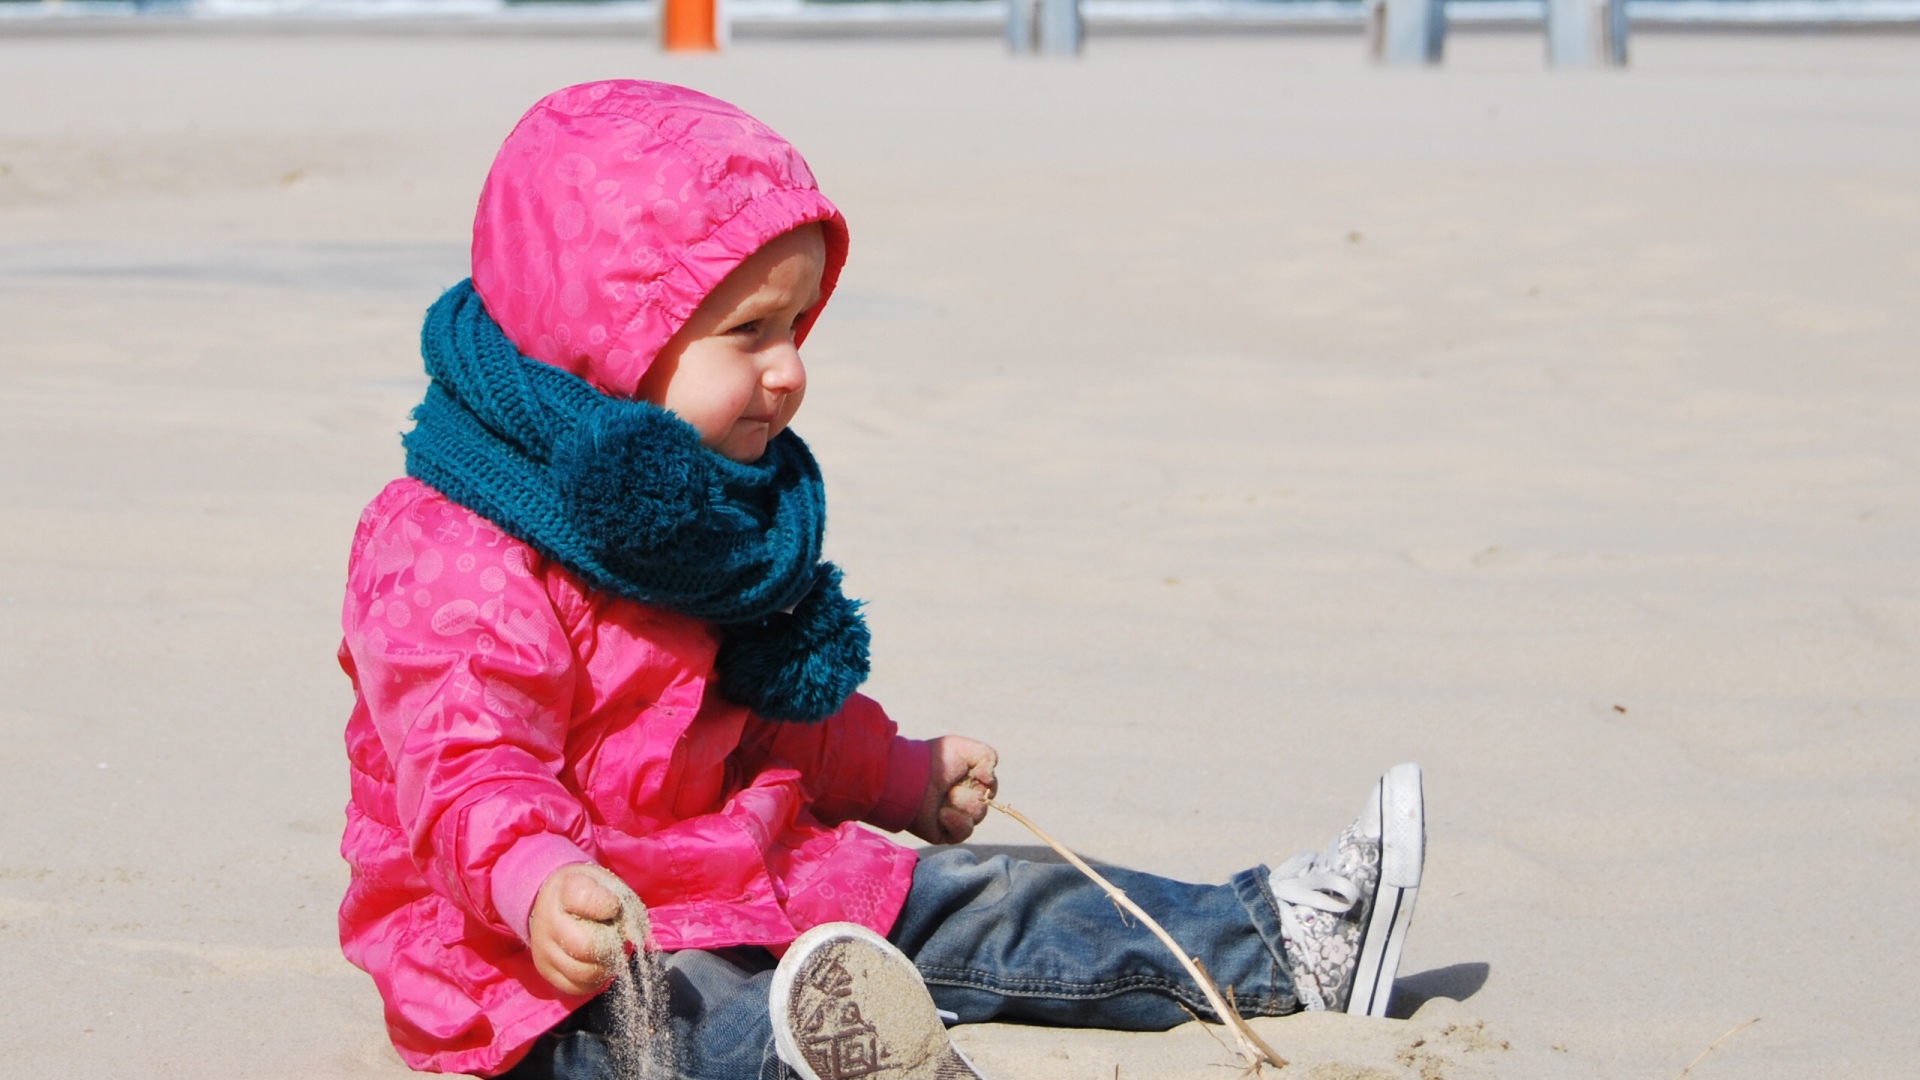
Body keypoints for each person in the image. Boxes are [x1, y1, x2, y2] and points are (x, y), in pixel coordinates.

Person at [337, 80, 1426, 1080]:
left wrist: (896, 773)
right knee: (688, 1020)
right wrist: (535, 881)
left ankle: (1278, 939)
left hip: (742, 868)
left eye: (799, 327)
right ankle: (842, 1054)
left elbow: (765, 716)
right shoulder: (450, 546)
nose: (789, 371)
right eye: (747, 333)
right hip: (544, 939)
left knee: (977, 898)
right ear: (606, 345)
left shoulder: (705, 512)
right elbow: (464, 761)